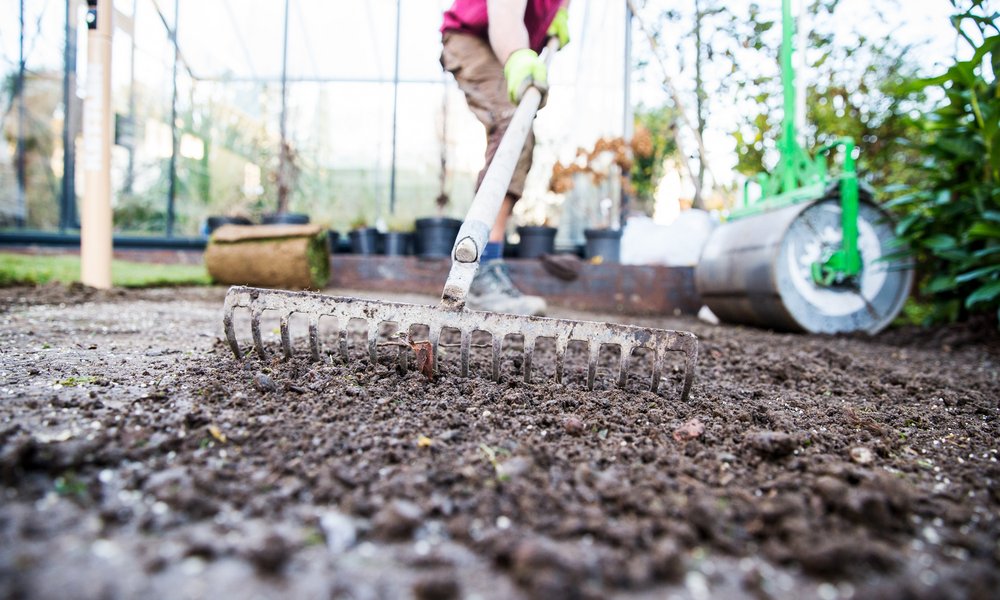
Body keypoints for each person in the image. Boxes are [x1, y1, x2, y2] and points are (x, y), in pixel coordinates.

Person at [440, 0, 570, 316]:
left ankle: (487, 263)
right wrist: (518, 57)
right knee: (514, 121)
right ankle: (478, 268)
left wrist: (557, 15)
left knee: (520, 132)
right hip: (472, 36)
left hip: (497, 39)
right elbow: (504, 10)